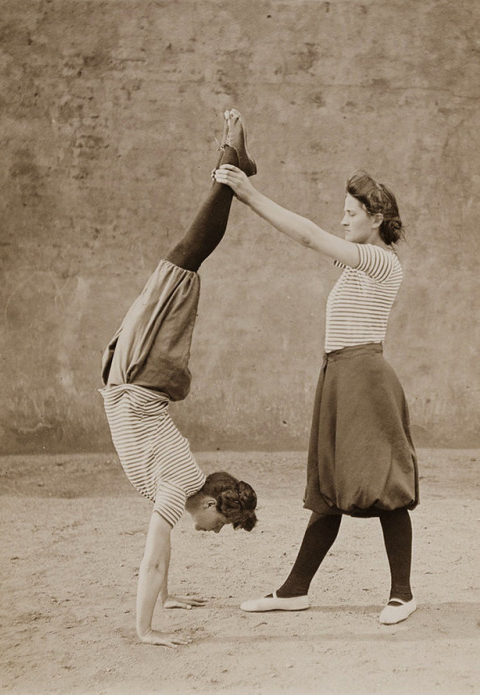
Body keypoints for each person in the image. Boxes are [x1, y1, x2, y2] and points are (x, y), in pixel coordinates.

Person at [213, 162, 419, 626]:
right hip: (339, 378)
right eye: (342, 213)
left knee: (385, 486)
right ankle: (294, 590)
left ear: (376, 218)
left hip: (365, 380)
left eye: (351, 213)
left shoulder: (381, 260)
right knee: (328, 489)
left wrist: (249, 195)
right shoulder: (356, 260)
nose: (343, 221)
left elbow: (307, 235)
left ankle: (402, 595)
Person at [100, 109, 258, 647]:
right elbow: (151, 559)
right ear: (211, 505)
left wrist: (171, 597)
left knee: (185, 267)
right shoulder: (179, 488)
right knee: (185, 262)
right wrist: (147, 630)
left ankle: (233, 167)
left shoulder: (184, 485)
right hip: (139, 372)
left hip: (136, 374)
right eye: (223, 525)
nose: (217, 534)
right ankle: (230, 161)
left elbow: (161, 553)